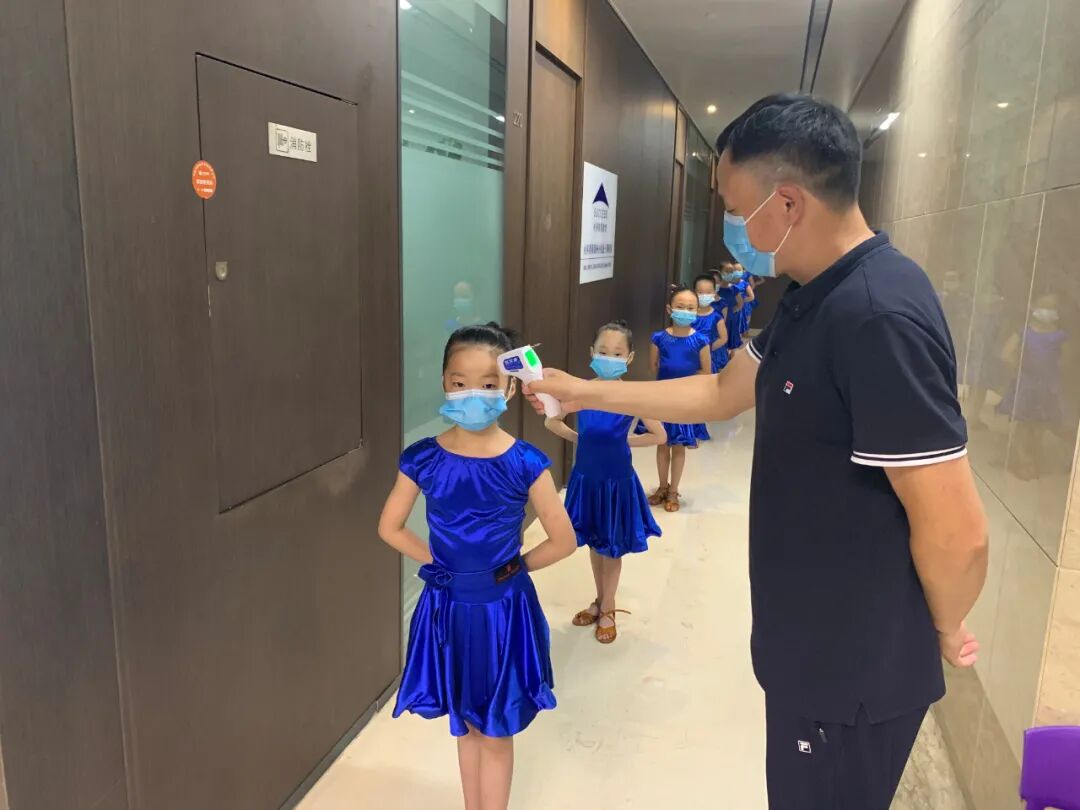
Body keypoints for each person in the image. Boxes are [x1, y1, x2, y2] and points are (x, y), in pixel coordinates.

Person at [526, 94, 988, 810]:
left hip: (849, 672)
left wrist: (944, 626)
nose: (732, 227)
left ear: (789, 203)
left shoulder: (878, 316)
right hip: (806, 649)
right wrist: (584, 390)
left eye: (736, 209)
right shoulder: (813, 295)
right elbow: (719, 391)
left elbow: (958, 532)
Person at [378, 322, 577, 810]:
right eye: (460, 382)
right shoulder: (423, 459)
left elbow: (565, 540)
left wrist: (510, 569)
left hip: (501, 612)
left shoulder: (525, 462)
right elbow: (390, 527)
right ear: (444, 383)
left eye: (488, 384)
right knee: (465, 723)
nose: (473, 394)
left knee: (495, 728)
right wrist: (446, 565)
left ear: (510, 388)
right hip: (450, 606)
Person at [545, 321, 665, 643]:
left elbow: (659, 435)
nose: (609, 358)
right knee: (596, 543)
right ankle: (599, 601)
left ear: (629, 358)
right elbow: (551, 422)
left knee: (612, 549)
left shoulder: (632, 396)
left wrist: (624, 442)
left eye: (617, 353)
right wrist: (578, 438)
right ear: (591, 352)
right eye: (603, 351)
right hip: (586, 479)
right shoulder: (580, 391)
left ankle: (609, 607)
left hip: (616, 482)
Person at [644, 284, 712, 513]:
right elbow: (654, 366)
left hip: (685, 400)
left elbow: (706, 372)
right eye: (680, 306)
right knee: (662, 443)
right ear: (669, 309)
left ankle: (674, 490)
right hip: (662, 398)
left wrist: (684, 384)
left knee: (679, 445)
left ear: (697, 311)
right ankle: (662, 486)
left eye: (690, 307)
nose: (685, 311)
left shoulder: (701, 340)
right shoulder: (658, 338)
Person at [997, 292, 1069, 480]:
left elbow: (1066, 361)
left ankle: (1033, 458)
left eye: (1053, 307)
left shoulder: (1060, 336)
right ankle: (1023, 462)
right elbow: (1006, 353)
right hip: (1027, 385)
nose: (1048, 310)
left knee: (1039, 426)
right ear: (1033, 307)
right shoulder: (1025, 332)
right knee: (1024, 425)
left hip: (1047, 387)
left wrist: (1054, 373)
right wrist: (1021, 368)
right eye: (1044, 305)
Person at [692, 273, 731, 372]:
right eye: (700, 292)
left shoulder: (716, 316)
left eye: (708, 292)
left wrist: (706, 349)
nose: (704, 295)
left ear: (714, 293)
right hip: (690, 354)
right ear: (694, 293)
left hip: (710, 354)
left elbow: (723, 338)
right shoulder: (689, 315)